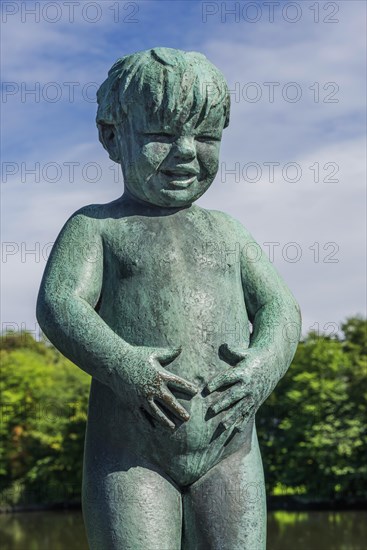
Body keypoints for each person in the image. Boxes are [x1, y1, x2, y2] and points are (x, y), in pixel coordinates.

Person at [37, 47, 301, 550]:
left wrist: (263, 365)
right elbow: (59, 304)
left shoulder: (229, 232)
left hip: (230, 447)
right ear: (113, 137)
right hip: (131, 454)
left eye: (205, 136)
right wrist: (125, 366)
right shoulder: (96, 226)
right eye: (160, 135)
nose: (185, 151)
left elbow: (280, 308)